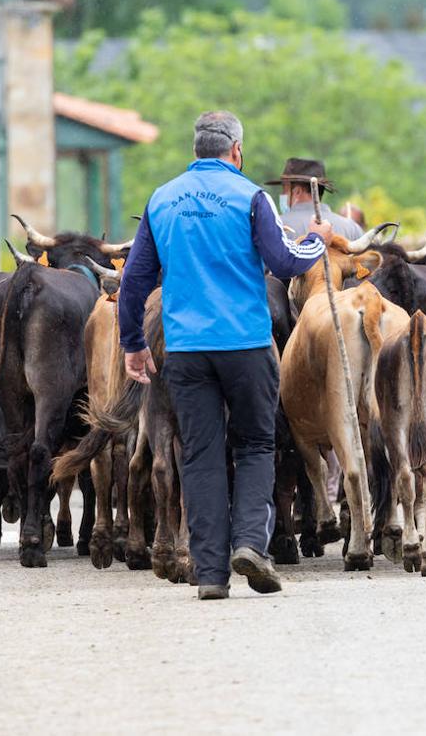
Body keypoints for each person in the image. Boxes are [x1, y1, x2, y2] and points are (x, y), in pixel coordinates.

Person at [118, 111, 334, 600]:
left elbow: (134, 280)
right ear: (236, 150)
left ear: (195, 150)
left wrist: (133, 343)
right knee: (256, 445)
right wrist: (317, 242)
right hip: (246, 345)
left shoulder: (162, 198)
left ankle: (211, 574)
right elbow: (283, 261)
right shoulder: (250, 197)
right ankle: (251, 544)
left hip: (186, 351)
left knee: (199, 455)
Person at [266, 158, 363, 242]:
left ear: (297, 192)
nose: (282, 195)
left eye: (284, 189)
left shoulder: (276, 226)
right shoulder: (352, 228)